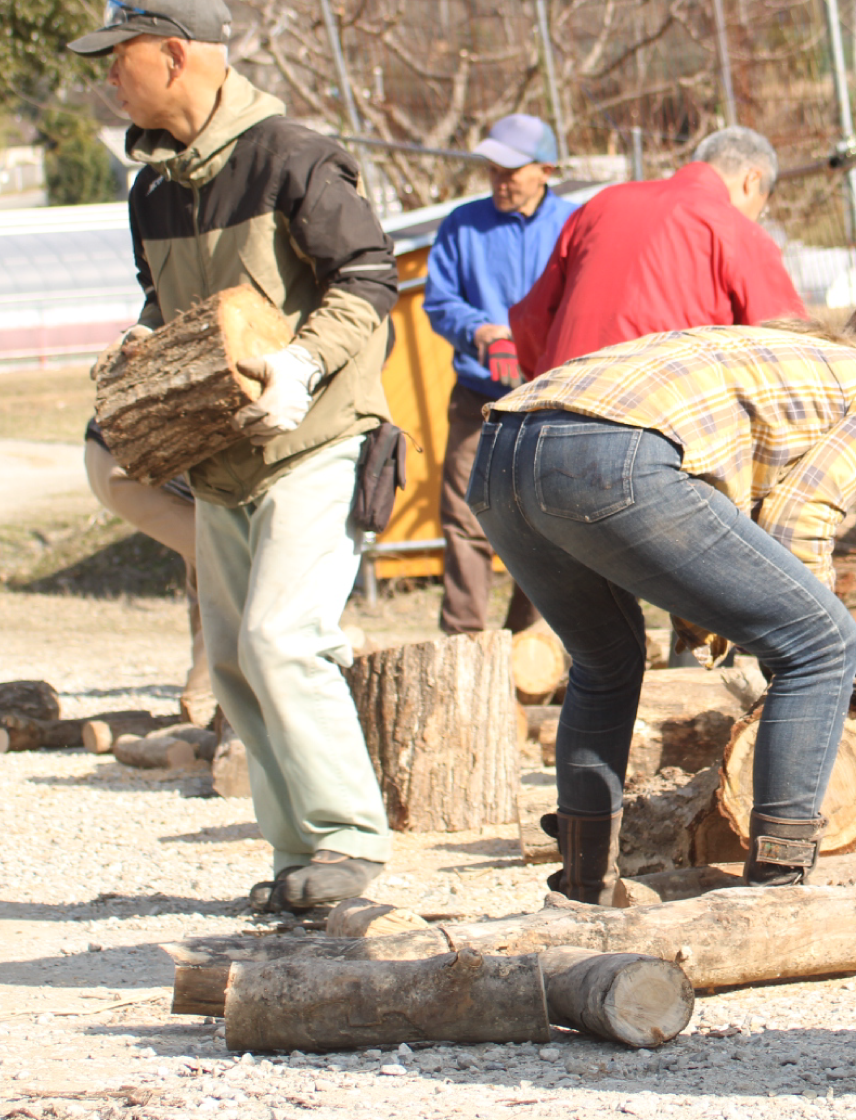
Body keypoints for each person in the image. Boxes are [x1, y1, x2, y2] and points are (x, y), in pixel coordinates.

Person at [475, 299, 856, 904]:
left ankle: (585, 886)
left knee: (606, 664)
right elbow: (801, 513)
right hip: (610, 448)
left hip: (503, 452)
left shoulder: (779, 358)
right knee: (820, 644)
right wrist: (829, 635)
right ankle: (776, 891)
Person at [69, 0, 397, 912]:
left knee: (280, 638)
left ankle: (350, 845)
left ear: (174, 56)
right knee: (234, 661)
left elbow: (371, 274)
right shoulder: (153, 190)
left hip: (318, 437)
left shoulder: (291, 154)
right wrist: (138, 352)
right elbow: (165, 306)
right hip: (223, 459)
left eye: (117, 58)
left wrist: (300, 361)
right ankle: (300, 863)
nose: (105, 77)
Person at [421, 113, 576, 636]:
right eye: (492, 168)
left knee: (547, 524)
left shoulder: (574, 225)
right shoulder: (462, 224)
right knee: (465, 522)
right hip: (478, 396)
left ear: (546, 169)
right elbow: (439, 302)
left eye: (511, 169)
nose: (499, 179)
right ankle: (461, 638)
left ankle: (530, 642)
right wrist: (482, 330)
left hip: (550, 399)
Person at [508, 125, 806, 376]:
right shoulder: (735, 228)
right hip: (655, 418)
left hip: (554, 405)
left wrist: (546, 378)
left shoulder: (601, 204)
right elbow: (787, 348)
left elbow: (532, 318)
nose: (757, 216)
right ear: (752, 181)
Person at [81, 418, 215, 726]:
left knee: (213, 564)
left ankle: (206, 699)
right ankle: (206, 701)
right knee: (229, 563)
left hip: (126, 454)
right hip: (124, 462)